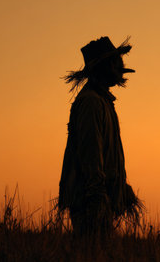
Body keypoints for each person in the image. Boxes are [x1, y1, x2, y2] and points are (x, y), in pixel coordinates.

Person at [58, 36, 143, 236]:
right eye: (114, 61)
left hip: (98, 199)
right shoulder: (91, 103)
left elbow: (105, 155)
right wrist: (97, 195)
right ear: (104, 67)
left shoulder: (102, 101)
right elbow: (91, 153)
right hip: (90, 201)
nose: (120, 65)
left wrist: (121, 187)